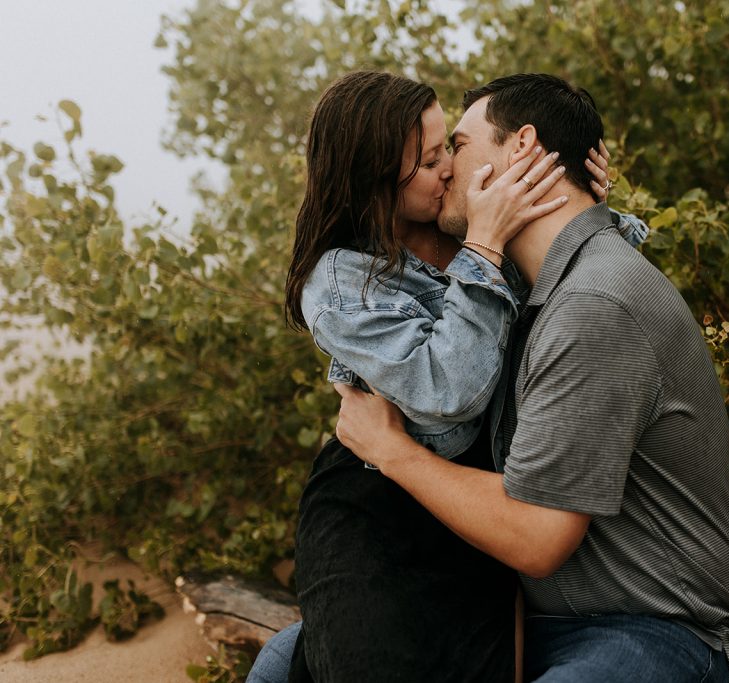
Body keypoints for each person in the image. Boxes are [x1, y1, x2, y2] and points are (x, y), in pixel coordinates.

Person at [333, 74, 729, 683]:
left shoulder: (595, 302)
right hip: (535, 625)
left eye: (458, 144)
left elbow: (536, 537)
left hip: (655, 630)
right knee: (286, 660)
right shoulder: (543, 292)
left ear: (522, 147)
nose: (446, 168)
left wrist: (391, 450)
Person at [247, 71, 647, 682]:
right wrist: (486, 246)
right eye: (430, 159)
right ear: (376, 175)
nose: (448, 170)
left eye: (448, 149)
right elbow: (448, 396)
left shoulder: (464, 223)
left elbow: (578, 282)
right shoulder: (341, 282)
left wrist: (578, 200)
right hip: (378, 509)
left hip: (474, 508)